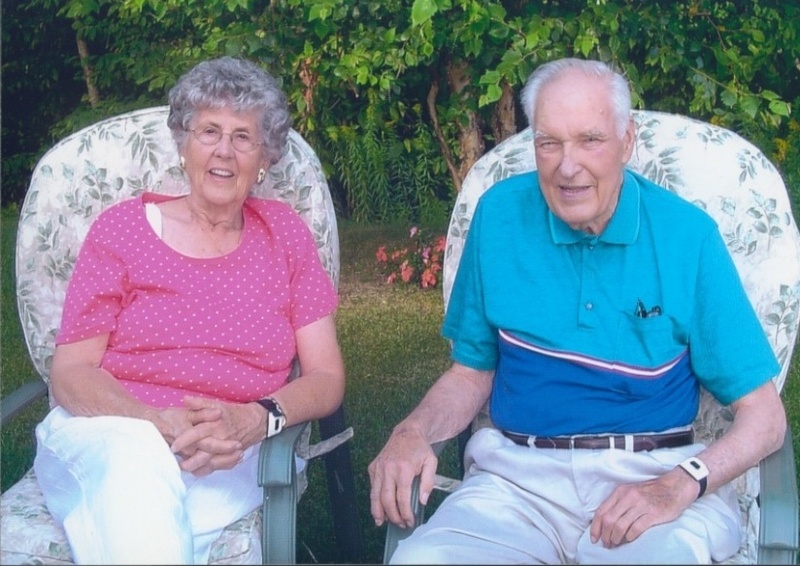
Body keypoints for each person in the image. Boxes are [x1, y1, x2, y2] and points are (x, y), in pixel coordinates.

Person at [368, 57, 787, 564]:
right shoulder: (499, 216)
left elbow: (765, 418)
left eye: (590, 140)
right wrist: (411, 431)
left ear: (626, 141)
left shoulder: (687, 238)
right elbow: (471, 372)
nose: (568, 166)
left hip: (651, 475)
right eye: (549, 143)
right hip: (516, 484)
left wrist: (679, 485)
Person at [33, 56, 345, 565]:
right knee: (137, 467)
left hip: (230, 453)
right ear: (183, 143)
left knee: (145, 532)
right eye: (209, 131)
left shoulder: (285, 234)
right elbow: (70, 373)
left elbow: (327, 376)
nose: (224, 150)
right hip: (109, 432)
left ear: (264, 156)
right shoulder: (121, 231)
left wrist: (256, 420)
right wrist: (156, 423)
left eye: (243, 136)